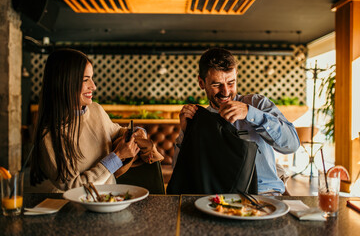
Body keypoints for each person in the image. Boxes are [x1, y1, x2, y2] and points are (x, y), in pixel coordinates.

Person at [173, 48, 300, 195]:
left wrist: (252, 114)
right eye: (216, 85)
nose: (225, 92)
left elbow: (292, 145)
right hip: (217, 198)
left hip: (264, 194)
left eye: (231, 83)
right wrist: (185, 132)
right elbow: (181, 174)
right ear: (202, 83)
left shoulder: (257, 104)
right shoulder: (201, 119)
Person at [30, 49, 149, 192]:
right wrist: (117, 157)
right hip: (71, 209)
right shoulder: (49, 134)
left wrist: (138, 132)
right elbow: (73, 187)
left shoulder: (95, 109)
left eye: (91, 78)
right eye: (85, 79)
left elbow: (117, 132)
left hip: (109, 200)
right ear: (64, 82)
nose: (93, 86)